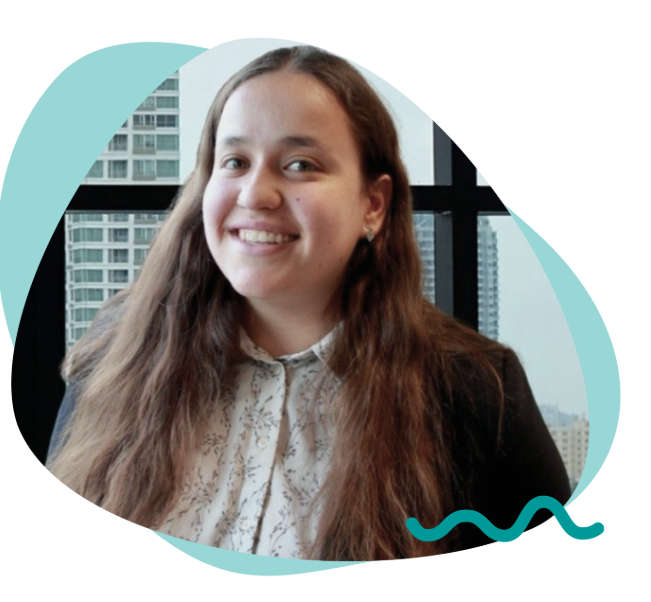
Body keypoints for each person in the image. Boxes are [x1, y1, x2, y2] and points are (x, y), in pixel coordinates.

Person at [47, 46, 570, 561]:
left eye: (300, 164)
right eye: (235, 161)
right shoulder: (116, 356)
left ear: (373, 204)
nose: (255, 194)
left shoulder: (479, 393)